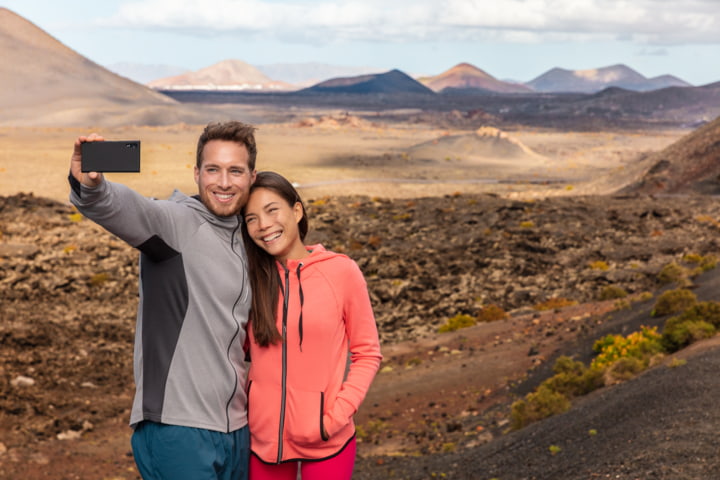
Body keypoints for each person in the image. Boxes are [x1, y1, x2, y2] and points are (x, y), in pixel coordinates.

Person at [68, 121, 258, 480]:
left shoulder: (249, 241)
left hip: (237, 431)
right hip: (179, 429)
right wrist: (90, 186)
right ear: (197, 174)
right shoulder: (177, 224)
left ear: (252, 176)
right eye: (213, 169)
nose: (223, 182)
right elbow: (124, 208)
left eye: (235, 171)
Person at [241, 171, 382, 480]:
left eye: (271, 210)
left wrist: (334, 417)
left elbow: (367, 353)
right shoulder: (248, 280)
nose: (263, 225)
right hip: (263, 443)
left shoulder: (342, 272)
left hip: (327, 440)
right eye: (251, 218)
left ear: (297, 210)